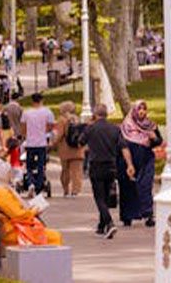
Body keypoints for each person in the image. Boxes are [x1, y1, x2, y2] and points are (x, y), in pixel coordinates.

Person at [79, 105, 134, 239]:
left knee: (99, 198)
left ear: (94, 114)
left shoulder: (90, 128)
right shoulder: (115, 129)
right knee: (105, 196)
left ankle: (109, 223)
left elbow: (80, 142)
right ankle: (101, 225)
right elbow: (124, 147)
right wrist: (129, 165)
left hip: (96, 165)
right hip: (111, 166)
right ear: (107, 114)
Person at [0, 158, 62, 246]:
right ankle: (46, 260)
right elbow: (19, 215)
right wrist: (35, 210)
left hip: (4, 230)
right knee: (55, 237)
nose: (9, 175)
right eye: (7, 173)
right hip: (9, 233)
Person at [118, 100, 162, 227]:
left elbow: (158, 141)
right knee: (128, 188)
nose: (142, 111)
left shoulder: (150, 125)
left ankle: (148, 214)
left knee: (145, 186)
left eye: (144, 109)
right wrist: (129, 164)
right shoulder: (126, 126)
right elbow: (122, 145)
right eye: (139, 109)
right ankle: (128, 216)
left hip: (146, 160)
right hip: (128, 161)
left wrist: (154, 138)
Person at [21, 92, 55, 196]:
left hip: (30, 143)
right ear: (42, 100)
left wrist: (25, 136)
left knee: (29, 165)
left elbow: (23, 127)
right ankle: (39, 187)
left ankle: (30, 182)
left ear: (32, 101)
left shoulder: (26, 113)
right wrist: (43, 132)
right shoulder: (47, 112)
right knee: (41, 166)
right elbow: (50, 126)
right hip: (42, 143)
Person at [51, 101, 84, 197]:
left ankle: (66, 190)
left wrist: (53, 144)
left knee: (65, 170)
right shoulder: (77, 119)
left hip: (65, 149)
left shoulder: (62, 120)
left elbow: (59, 135)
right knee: (76, 172)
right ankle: (75, 190)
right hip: (77, 148)